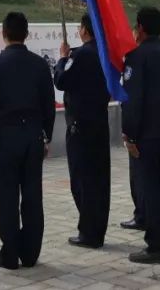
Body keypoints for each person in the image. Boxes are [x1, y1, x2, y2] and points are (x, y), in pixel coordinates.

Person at [0, 11, 57, 269]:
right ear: (27, 34)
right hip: (33, 135)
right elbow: (49, 105)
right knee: (33, 196)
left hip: (6, 136)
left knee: (7, 197)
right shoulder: (40, 65)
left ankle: (9, 254)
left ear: (4, 34)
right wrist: (46, 136)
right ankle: (30, 253)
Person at [121, 6, 160, 264]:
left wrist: (130, 135)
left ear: (141, 28)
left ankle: (156, 245)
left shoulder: (137, 57)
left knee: (151, 190)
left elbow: (134, 100)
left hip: (145, 134)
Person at [54, 14, 111, 248]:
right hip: (99, 122)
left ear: (86, 29)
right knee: (99, 180)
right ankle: (96, 229)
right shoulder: (104, 53)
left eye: (80, 27)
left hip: (81, 127)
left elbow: (61, 81)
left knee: (83, 180)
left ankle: (89, 232)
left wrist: (62, 59)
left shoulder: (83, 54)